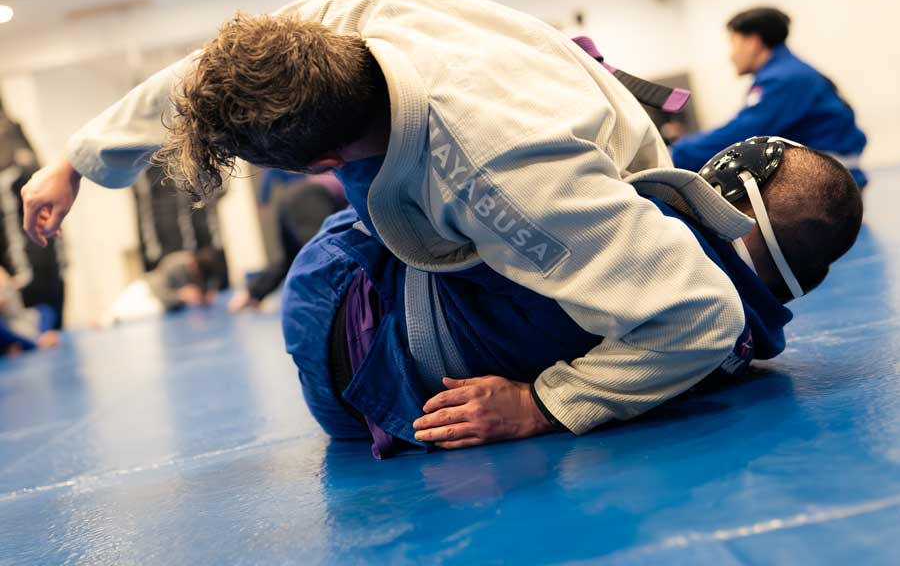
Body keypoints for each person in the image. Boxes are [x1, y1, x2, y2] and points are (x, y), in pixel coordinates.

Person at [21, 0, 759, 443]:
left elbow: (699, 317)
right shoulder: (359, 16)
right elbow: (202, 76)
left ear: (320, 168)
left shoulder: (498, 179)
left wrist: (548, 401)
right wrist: (80, 159)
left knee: (333, 311)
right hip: (525, 139)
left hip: (577, 186)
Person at [283, 140, 862, 456]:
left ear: (735, 188)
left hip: (332, 297)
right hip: (392, 412)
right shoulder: (742, 344)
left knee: (398, 141)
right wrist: (541, 403)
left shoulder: (636, 241)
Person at [671, 7, 868, 187]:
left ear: (753, 42)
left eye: (734, 43)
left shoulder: (784, 78)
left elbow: (744, 134)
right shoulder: (789, 72)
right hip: (831, 177)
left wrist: (678, 153)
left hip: (828, 184)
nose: (731, 56)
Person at [228, 173, 346, 312]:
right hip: (309, 196)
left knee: (288, 257)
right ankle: (340, 303)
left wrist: (263, 199)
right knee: (325, 252)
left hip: (288, 196)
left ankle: (252, 294)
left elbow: (269, 175)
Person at [100, 247, 224, 326]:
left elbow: (207, 292)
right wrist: (180, 296)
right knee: (125, 309)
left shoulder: (205, 274)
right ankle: (106, 318)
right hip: (149, 290)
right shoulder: (174, 263)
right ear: (194, 264)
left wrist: (204, 297)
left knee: (139, 313)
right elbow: (161, 292)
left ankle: (109, 318)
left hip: (163, 304)